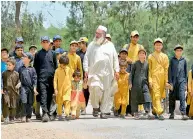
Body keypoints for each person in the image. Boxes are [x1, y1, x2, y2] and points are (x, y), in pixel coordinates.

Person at [83, 25, 119, 119]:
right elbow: (86, 58)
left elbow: (115, 58)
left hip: (108, 73)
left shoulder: (110, 45)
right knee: (95, 88)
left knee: (106, 93)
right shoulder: (92, 45)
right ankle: (95, 106)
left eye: (99, 33)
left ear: (104, 34)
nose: (97, 35)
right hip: (94, 73)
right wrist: (86, 69)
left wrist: (117, 70)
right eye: (96, 33)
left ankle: (103, 111)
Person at [34, 36, 57, 122]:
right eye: (43, 42)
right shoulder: (38, 54)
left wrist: (56, 80)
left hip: (51, 78)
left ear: (49, 43)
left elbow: (56, 67)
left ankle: (49, 112)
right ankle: (44, 113)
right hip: (41, 79)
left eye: (46, 42)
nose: (45, 43)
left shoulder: (53, 53)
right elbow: (35, 68)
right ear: (41, 43)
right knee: (43, 95)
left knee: (49, 96)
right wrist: (36, 81)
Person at [123, 30, 144, 116]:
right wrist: (129, 60)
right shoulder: (127, 46)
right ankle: (126, 109)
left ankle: (134, 110)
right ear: (131, 37)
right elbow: (123, 55)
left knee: (135, 89)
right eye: (134, 37)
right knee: (127, 88)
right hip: (128, 68)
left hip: (137, 69)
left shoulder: (140, 47)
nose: (135, 38)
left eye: (136, 37)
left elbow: (143, 56)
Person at [148, 38, 169, 120]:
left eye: (159, 44)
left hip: (162, 78)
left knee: (159, 96)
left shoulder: (165, 56)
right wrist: (150, 80)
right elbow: (149, 70)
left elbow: (166, 70)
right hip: (154, 77)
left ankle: (154, 110)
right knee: (156, 94)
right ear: (154, 46)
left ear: (162, 46)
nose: (158, 46)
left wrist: (166, 81)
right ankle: (160, 112)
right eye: (156, 44)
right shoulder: (150, 56)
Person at [129, 48, 153, 119]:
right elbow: (131, 74)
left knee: (147, 95)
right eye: (140, 53)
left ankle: (148, 111)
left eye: (143, 53)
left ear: (145, 55)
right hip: (135, 84)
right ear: (138, 55)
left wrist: (150, 82)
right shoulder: (135, 64)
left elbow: (149, 74)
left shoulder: (147, 64)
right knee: (135, 98)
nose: (142, 55)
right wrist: (130, 83)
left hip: (144, 83)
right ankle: (135, 113)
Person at [168, 45, 189, 120]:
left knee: (182, 96)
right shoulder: (172, 60)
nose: (179, 52)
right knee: (172, 96)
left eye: (180, 50)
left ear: (182, 52)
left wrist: (186, 83)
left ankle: (183, 113)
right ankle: (171, 113)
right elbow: (169, 71)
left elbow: (186, 72)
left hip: (182, 81)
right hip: (173, 81)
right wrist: (170, 82)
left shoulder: (184, 60)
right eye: (177, 50)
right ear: (175, 51)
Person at [18, 52, 38, 122]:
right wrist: (18, 83)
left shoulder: (32, 69)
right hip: (23, 87)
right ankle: (23, 115)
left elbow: (35, 79)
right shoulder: (20, 68)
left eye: (25, 57)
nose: (23, 58)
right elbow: (18, 77)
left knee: (30, 102)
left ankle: (28, 116)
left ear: (29, 59)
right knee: (23, 101)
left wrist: (35, 88)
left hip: (31, 88)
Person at [2, 58, 20, 124]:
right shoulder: (4, 73)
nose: (8, 66)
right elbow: (2, 82)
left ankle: (12, 118)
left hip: (14, 92)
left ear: (14, 65)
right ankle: (6, 117)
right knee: (6, 104)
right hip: (6, 91)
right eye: (7, 65)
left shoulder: (16, 74)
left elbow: (19, 81)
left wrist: (19, 84)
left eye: (9, 65)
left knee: (13, 105)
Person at [54, 55, 72, 121]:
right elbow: (55, 80)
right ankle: (59, 114)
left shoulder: (69, 69)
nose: (64, 66)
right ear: (60, 63)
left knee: (67, 101)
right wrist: (55, 89)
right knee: (59, 102)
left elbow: (70, 78)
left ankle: (67, 114)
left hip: (67, 88)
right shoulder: (57, 71)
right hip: (59, 89)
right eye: (63, 65)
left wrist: (72, 87)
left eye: (65, 65)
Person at [76, 37, 89, 115]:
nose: (79, 45)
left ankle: (84, 108)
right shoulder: (77, 53)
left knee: (87, 92)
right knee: (79, 92)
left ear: (85, 44)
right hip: (79, 75)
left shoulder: (90, 53)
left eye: (81, 43)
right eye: (79, 43)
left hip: (88, 75)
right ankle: (78, 107)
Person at [1, 48, 9, 122]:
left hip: (9, 85)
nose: (4, 53)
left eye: (5, 52)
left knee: (7, 100)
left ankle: (7, 115)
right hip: (1, 84)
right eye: (2, 52)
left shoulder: (10, 63)